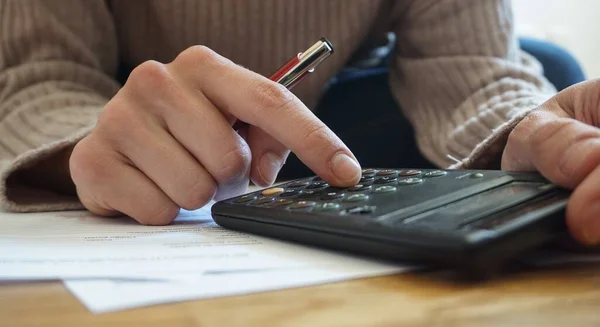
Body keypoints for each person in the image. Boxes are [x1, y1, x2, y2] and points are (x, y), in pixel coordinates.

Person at [0, 0, 598, 246]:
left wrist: (531, 131)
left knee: (551, 67)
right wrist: (86, 147)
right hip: (127, 108)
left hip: (333, 107)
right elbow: (40, 75)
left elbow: (473, 66)